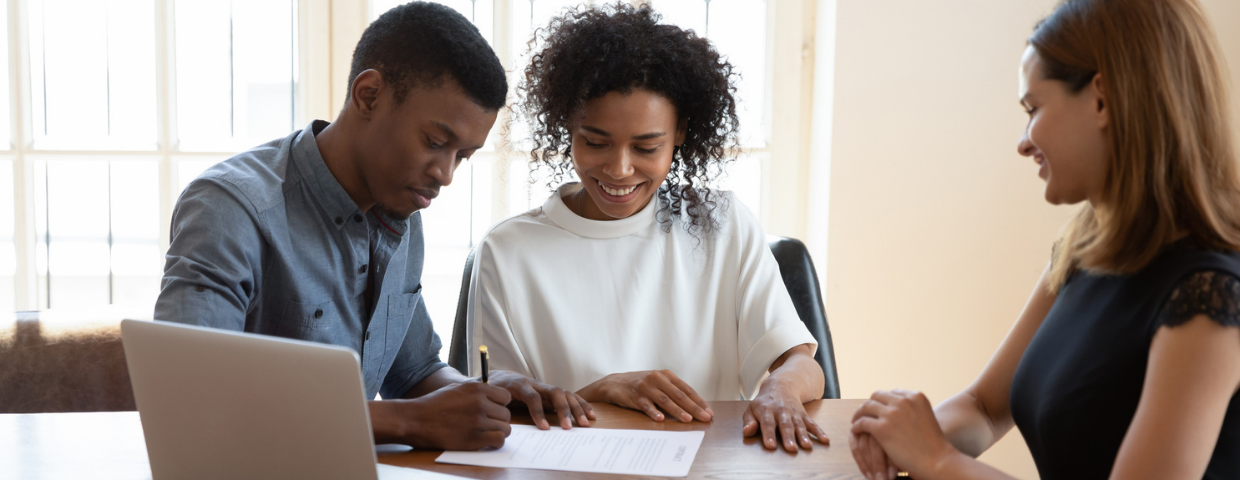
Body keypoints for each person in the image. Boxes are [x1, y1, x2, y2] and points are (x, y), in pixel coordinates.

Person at [849, 0, 1240, 479]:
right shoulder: (1084, 248)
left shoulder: (1210, 301)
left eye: (1033, 107)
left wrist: (936, 458)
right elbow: (984, 408)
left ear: (1103, 99)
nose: (1023, 141)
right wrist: (901, 435)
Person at [154, 2, 570, 451]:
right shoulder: (231, 207)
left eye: (462, 156)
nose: (446, 174)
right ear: (368, 95)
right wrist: (407, 422)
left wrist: (486, 395)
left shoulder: (401, 211)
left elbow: (414, 374)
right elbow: (190, 398)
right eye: (435, 142)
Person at [466, 3, 828, 452]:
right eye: (595, 142)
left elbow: (801, 362)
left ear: (679, 133)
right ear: (567, 128)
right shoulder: (507, 251)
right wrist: (600, 390)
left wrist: (780, 389)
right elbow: (496, 400)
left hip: (704, 464)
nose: (619, 169)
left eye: (646, 146)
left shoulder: (720, 225)